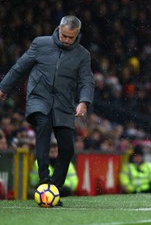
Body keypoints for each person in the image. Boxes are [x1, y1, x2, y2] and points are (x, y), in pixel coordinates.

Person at [0, 15, 95, 206]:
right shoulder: (40, 44)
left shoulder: (82, 55)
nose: (67, 40)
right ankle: (44, 180)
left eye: (71, 37)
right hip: (39, 98)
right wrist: (4, 87)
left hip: (63, 104)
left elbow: (87, 81)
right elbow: (20, 67)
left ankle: (54, 189)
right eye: (64, 35)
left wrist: (84, 102)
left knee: (67, 148)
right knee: (43, 124)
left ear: (77, 35)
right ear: (59, 29)